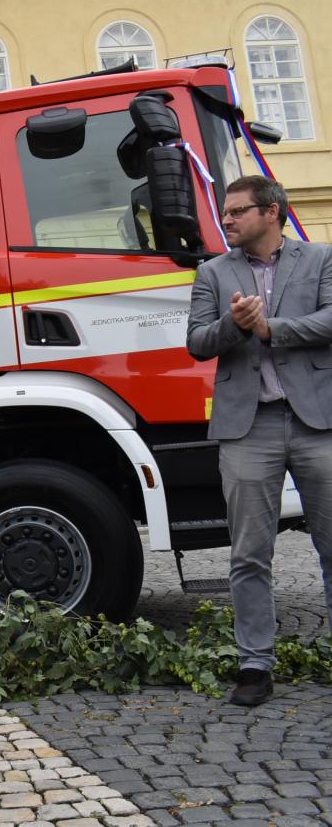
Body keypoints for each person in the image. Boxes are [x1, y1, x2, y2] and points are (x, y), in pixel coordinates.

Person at [186, 175, 332, 707]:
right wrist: (235, 324)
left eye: (237, 212)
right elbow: (197, 342)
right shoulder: (213, 272)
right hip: (250, 428)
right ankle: (255, 665)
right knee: (249, 553)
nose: (226, 220)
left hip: (319, 422)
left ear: (271, 212)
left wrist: (272, 329)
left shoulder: (320, 259)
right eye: (225, 213)